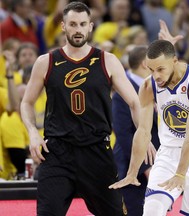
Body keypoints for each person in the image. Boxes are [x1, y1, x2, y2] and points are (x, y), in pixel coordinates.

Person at [20, 2, 142, 215]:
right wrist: (32, 132)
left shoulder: (108, 60)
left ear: (91, 26)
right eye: (73, 24)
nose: (78, 29)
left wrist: (144, 135)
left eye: (82, 24)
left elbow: (134, 102)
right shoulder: (46, 61)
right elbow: (27, 102)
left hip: (96, 151)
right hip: (57, 151)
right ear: (63, 26)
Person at [110, 39, 189, 215]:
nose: (156, 76)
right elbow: (143, 131)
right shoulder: (148, 85)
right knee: (152, 210)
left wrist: (181, 174)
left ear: (174, 61)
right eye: (151, 70)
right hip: (168, 152)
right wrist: (132, 173)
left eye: (161, 69)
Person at [112, 45, 160, 216]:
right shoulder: (122, 93)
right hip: (135, 171)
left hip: (158, 166)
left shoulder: (156, 87)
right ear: (145, 64)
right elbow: (124, 135)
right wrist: (146, 167)